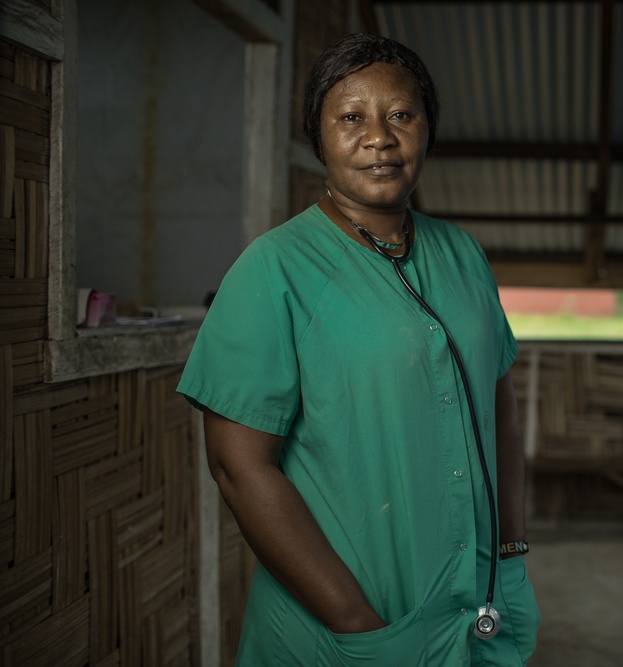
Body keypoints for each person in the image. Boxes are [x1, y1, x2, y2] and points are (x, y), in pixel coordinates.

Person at [177, 33, 540, 665]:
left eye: (401, 115)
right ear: (318, 137)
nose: (379, 137)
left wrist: (509, 551)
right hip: (343, 624)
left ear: (428, 129)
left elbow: (497, 405)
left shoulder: (463, 256)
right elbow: (238, 466)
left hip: (473, 600)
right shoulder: (273, 270)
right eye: (351, 118)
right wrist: (356, 623)